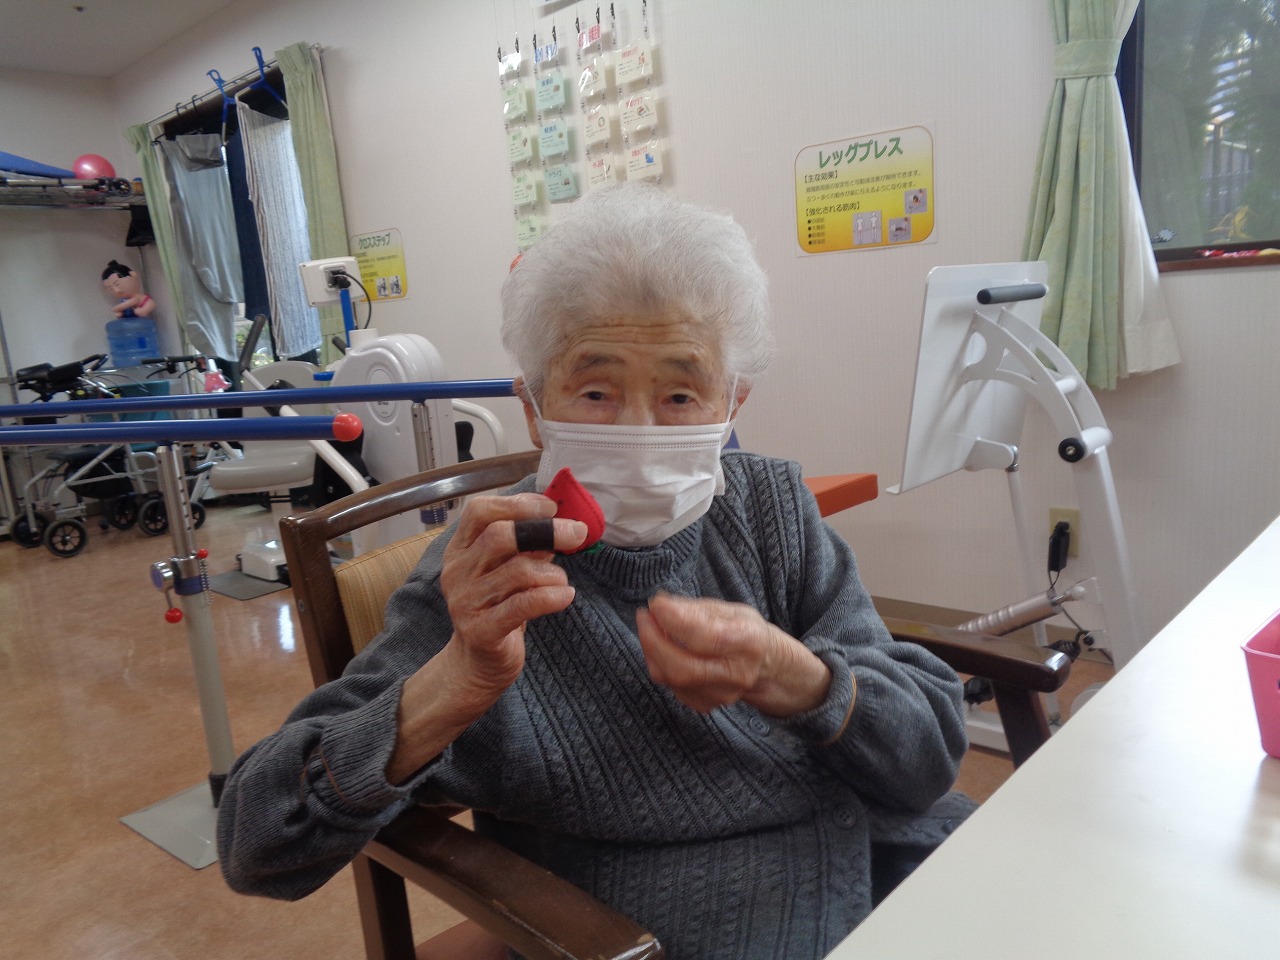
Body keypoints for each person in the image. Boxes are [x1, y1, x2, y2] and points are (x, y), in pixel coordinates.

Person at [216, 183, 971, 959]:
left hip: (892, 862)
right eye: (597, 391)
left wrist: (804, 681)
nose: (640, 429)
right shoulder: (491, 577)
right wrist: (457, 680)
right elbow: (257, 842)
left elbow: (928, 758)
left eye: (681, 393)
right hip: (682, 924)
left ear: (732, 403)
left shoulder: (772, 509)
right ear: (534, 405)